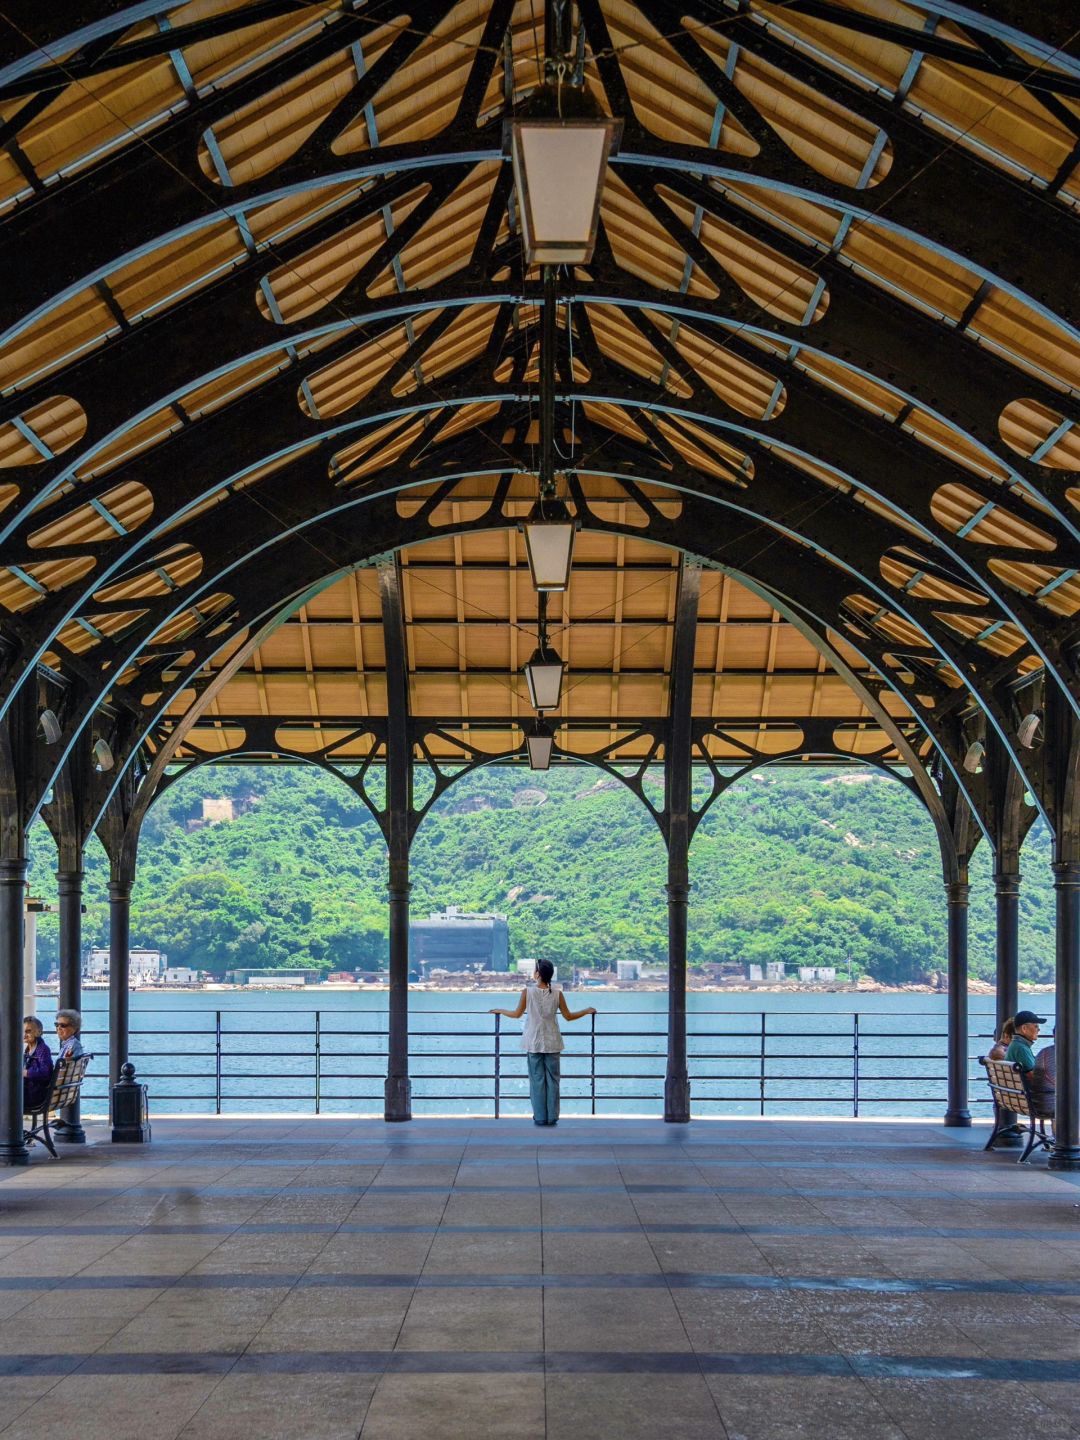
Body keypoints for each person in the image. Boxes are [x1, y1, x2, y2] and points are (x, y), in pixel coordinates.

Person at [490, 961, 596, 1127]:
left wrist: (500, 1010)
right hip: (552, 1041)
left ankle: (540, 1117)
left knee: (537, 1080)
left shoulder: (528, 992)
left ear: (537, 974)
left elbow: (517, 1014)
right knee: (553, 1081)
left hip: (533, 1041)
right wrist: (586, 1011)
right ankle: (552, 1117)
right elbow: (568, 1016)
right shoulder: (557, 994)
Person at [22, 1016, 53, 1114]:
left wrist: (25, 1073)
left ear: (39, 1032)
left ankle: (9, 1128)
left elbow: (46, 1072)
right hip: (31, 1093)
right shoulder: (29, 1049)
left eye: (28, 1031)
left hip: (34, 1097)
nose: (24, 1034)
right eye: (22, 1031)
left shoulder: (43, 1049)